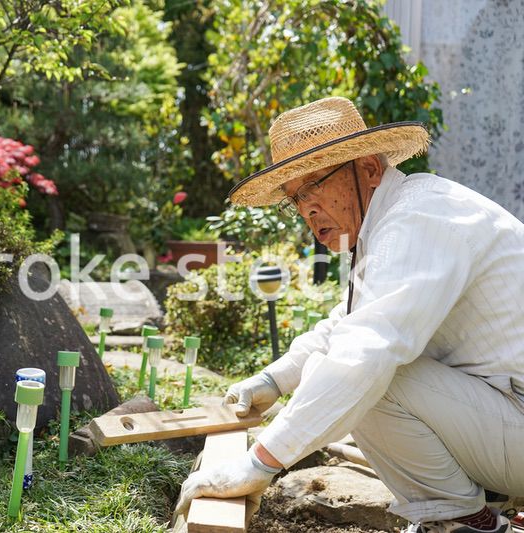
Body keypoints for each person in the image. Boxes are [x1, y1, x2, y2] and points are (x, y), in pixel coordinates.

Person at [174, 97, 524, 533]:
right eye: (294, 199)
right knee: (358, 365)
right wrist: (273, 381)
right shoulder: (396, 218)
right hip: (506, 414)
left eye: (313, 187)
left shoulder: (417, 219)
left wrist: (258, 464)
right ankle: (470, 513)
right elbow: (348, 320)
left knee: (375, 377)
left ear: (370, 170)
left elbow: (363, 351)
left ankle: (467, 523)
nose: (306, 210)